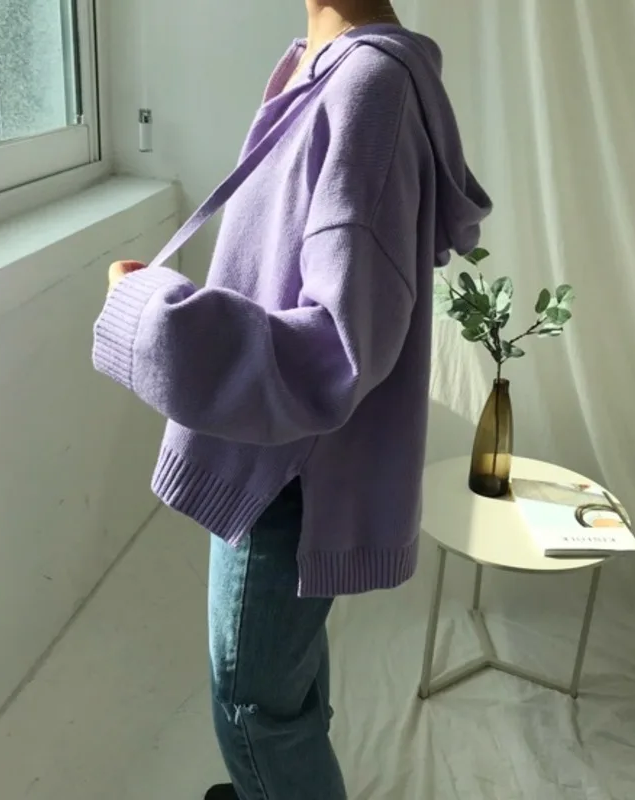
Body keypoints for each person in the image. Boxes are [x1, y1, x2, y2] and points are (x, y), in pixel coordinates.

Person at [92, 1, 491, 797]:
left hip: (285, 479)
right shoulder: (321, 67)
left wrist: (154, 316)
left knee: (253, 714)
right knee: (280, 695)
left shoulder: (368, 88)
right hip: (280, 461)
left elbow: (335, 353)